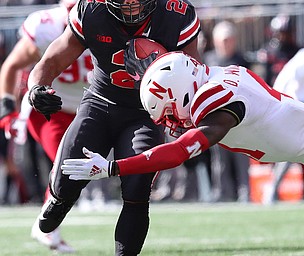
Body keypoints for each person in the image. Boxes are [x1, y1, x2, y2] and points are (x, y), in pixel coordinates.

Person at [27, 0, 201, 255]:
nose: (130, 5)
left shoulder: (176, 14)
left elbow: (195, 74)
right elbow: (52, 59)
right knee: (66, 177)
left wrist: (185, 118)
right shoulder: (91, 10)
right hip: (100, 103)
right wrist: (36, 87)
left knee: (137, 189)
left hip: (146, 113)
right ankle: (60, 198)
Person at [62, 52, 304, 221]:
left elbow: (179, 152)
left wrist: (113, 167)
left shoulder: (218, 100)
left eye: (170, 112)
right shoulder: (214, 77)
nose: (173, 121)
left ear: (183, 93)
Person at [0, 0, 92, 253]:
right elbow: (11, 66)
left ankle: (47, 227)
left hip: (90, 109)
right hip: (50, 110)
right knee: (67, 167)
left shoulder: (110, 22)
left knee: (76, 171)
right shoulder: (48, 26)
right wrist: (7, 111)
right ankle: (47, 229)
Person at [264, 39, 304, 204]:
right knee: (294, 153)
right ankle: (273, 189)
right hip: (303, 109)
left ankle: (274, 189)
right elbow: (285, 80)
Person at [202, 20, 251, 202]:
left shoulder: (242, 60)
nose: (226, 44)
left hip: (238, 117)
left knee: (241, 157)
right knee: (219, 160)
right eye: (222, 40)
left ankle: (245, 192)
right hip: (215, 116)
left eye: (228, 40)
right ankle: (222, 192)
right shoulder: (208, 60)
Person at [256, 14, 300, 86]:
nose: (282, 36)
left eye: (286, 33)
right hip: (273, 88)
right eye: (280, 33)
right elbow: (264, 76)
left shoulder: (297, 52)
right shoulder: (267, 51)